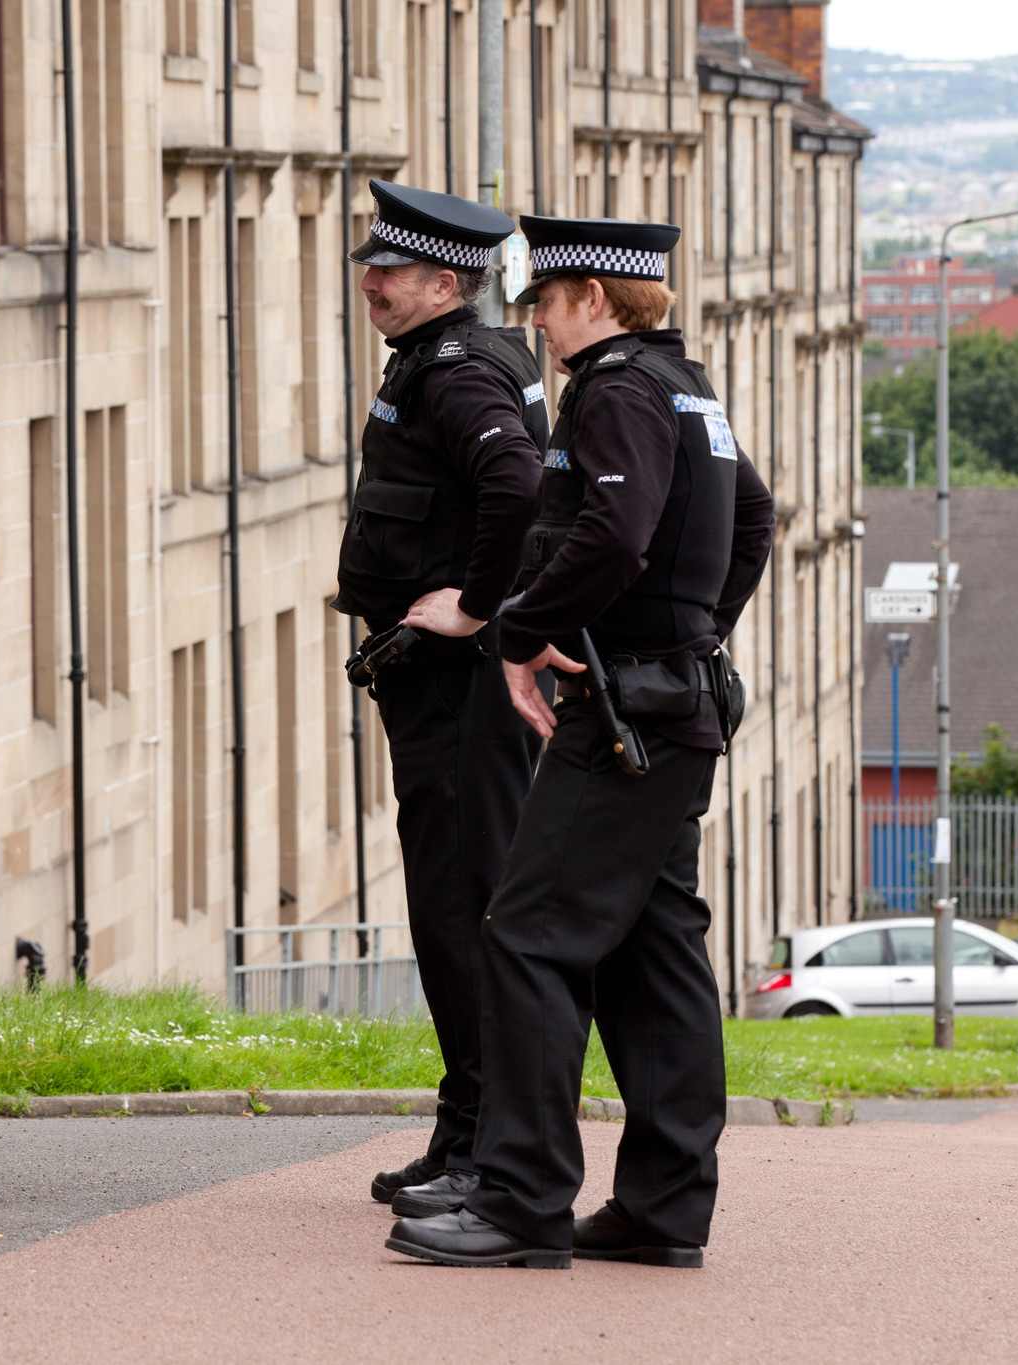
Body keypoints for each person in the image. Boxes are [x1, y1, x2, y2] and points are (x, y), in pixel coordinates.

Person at [386, 216, 775, 1269]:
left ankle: (518, 1199)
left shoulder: (614, 392)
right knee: (653, 954)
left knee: (525, 933)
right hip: (673, 703)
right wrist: (693, 633)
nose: (539, 329)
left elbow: (612, 533)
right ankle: (660, 1208)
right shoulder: (688, 387)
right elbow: (752, 519)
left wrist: (520, 632)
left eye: (547, 305)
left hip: (618, 717)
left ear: (594, 299)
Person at [331, 180, 549, 1217]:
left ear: (445, 281)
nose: (369, 281)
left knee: (463, 914)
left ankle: (485, 1148)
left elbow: (514, 480)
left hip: (459, 694)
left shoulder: (456, 372)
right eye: (370, 264)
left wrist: (473, 601)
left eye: (391, 270)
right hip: (442, 697)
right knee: (452, 909)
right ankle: (464, 1128)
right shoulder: (453, 357)